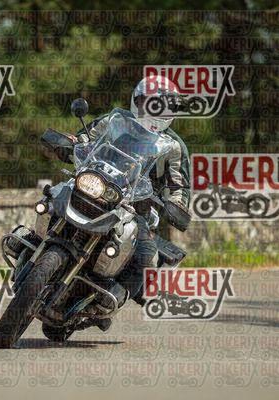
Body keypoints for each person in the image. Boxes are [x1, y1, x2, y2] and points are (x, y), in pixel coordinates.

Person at [69, 76, 192, 330]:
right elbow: (85, 138)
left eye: (161, 107)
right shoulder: (115, 120)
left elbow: (179, 185)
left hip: (135, 206)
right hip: (97, 185)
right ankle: (30, 245)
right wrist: (70, 144)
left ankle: (106, 303)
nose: (154, 111)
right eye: (149, 103)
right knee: (54, 198)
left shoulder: (173, 146)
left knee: (147, 257)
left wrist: (176, 205)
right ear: (137, 100)